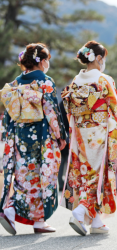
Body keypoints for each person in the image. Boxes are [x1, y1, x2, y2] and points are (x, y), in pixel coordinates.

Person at [0, 43, 67, 235]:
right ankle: (13, 211)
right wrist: (60, 135)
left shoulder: (15, 83)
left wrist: (8, 134)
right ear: (43, 61)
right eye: (47, 60)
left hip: (20, 136)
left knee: (25, 176)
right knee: (44, 176)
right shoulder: (45, 82)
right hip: (41, 135)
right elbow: (51, 111)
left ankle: (36, 220)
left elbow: (9, 113)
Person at [61, 41, 117, 236]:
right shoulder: (104, 80)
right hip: (99, 132)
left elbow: (69, 109)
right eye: (103, 58)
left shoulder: (75, 81)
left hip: (80, 133)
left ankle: (96, 221)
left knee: (86, 173)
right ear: (98, 58)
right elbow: (115, 109)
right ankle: (80, 212)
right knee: (98, 174)